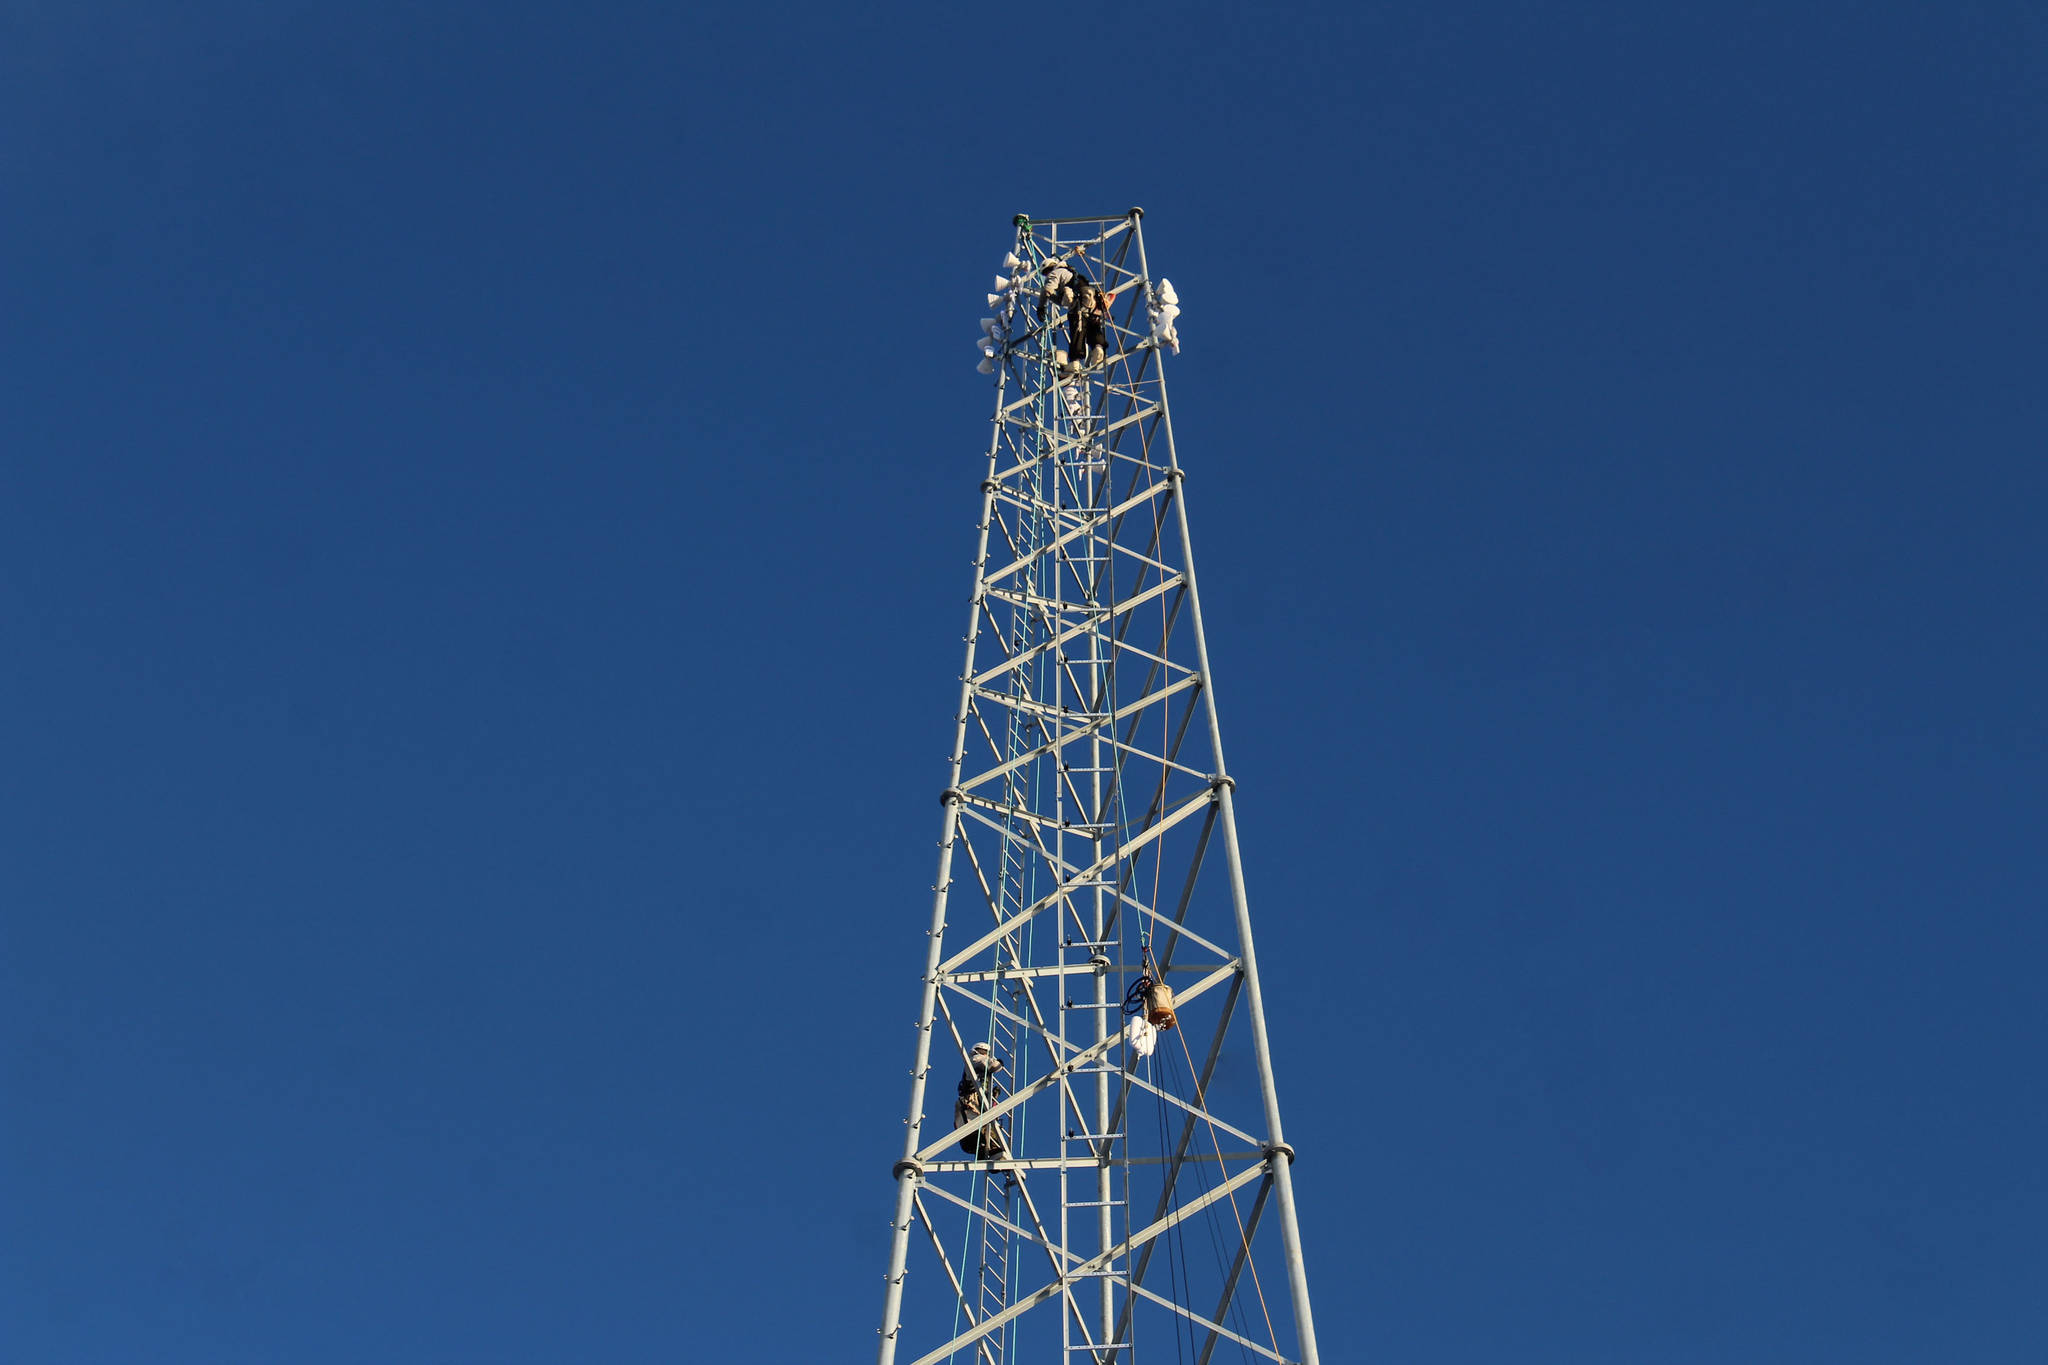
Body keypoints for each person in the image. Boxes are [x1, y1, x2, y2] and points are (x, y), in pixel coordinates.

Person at [954, 1041, 1007, 1160]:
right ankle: (991, 1150)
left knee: (985, 1125)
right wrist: (999, 1063)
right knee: (979, 1125)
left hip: (976, 1103)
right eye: (985, 1053)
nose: (986, 1055)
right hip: (971, 1102)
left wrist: (992, 1097)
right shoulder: (975, 1059)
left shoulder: (980, 1071)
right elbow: (993, 1066)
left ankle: (991, 1152)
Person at [1066, 273, 1114, 372]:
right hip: (1094, 313)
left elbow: (1063, 295)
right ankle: (1098, 348)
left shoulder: (1068, 281)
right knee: (1094, 329)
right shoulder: (1093, 291)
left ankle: (1075, 361)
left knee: (1078, 334)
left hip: (1080, 313)